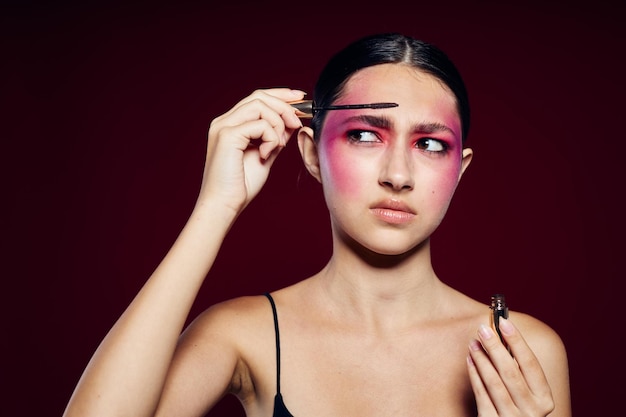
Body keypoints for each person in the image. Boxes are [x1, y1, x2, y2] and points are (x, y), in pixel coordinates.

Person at [63, 32, 571, 417]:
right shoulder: (243, 334)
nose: (398, 175)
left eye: (430, 145)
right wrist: (215, 207)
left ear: (459, 169)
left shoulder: (520, 351)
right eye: (365, 135)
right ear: (310, 153)